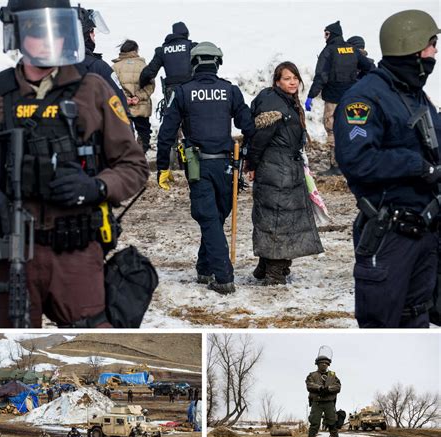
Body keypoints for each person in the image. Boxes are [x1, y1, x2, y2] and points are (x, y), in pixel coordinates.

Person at [0, 0, 149, 328]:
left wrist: (97, 186)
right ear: (18, 34)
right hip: (8, 249)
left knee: (91, 332)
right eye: (38, 31)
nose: (49, 41)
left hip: (76, 249)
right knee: (3, 338)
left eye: (58, 31)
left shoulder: (94, 91)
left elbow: (133, 166)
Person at [333, 10, 441, 328]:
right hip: (390, 235)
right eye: (431, 44)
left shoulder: (414, 95)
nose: (435, 52)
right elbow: (357, 160)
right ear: (412, 47)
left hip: (425, 231)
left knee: (418, 320)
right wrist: (418, 166)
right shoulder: (364, 98)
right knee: (381, 325)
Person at [156, 42, 255, 294]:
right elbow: (249, 126)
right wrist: (250, 156)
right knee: (213, 218)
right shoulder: (230, 91)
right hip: (226, 167)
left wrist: (162, 167)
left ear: (194, 63)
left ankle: (222, 278)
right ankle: (205, 269)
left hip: (197, 166)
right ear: (217, 62)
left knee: (210, 219)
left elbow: (166, 133)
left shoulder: (182, 92)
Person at [247, 62, 323, 284]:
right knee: (281, 220)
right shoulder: (274, 103)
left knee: (276, 218)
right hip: (277, 170)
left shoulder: (286, 102)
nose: (292, 82)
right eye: (287, 78)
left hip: (286, 168)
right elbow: (260, 139)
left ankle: (266, 265)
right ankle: (274, 271)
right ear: (277, 81)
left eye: (295, 78)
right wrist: (252, 164)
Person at [305, 21, 373, 175]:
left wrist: (311, 95)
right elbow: (369, 68)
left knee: (332, 129)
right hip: (352, 99)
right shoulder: (352, 50)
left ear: (332, 34)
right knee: (354, 127)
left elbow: (321, 75)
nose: (324, 37)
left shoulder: (329, 51)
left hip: (334, 100)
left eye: (326, 33)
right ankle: (355, 161)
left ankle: (336, 165)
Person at [77, 6, 130, 114]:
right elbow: (120, 106)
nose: (94, 35)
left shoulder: (49, 67)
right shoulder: (97, 66)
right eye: (92, 31)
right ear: (84, 35)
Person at [113, 40, 155, 154]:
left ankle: (129, 157)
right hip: (141, 106)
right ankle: (141, 155)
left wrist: (125, 98)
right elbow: (151, 85)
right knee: (144, 132)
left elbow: (112, 87)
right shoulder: (143, 66)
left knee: (126, 133)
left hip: (123, 107)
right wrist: (138, 97)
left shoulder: (115, 67)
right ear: (135, 50)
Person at [139, 22, 197, 103]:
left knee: (172, 114)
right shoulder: (193, 47)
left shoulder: (162, 50)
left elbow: (149, 73)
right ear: (186, 34)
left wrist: (141, 84)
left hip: (172, 91)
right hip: (192, 90)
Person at [304, 347, 346, 437]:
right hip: (317, 402)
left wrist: (328, 390)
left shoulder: (332, 375)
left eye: (326, 363)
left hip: (329, 403)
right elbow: (309, 385)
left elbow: (338, 386)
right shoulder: (312, 375)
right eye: (321, 363)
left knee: (333, 425)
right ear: (317, 364)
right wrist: (319, 388)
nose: (324, 365)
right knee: (314, 425)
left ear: (328, 365)